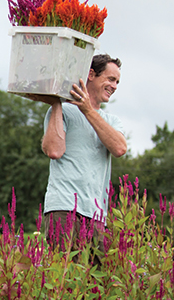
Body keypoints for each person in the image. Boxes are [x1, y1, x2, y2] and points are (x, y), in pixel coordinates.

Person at [27, 54, 127, 251]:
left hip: (97, 215)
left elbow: (119, 148)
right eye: (110, 79)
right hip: (63, 209)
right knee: (66, 276)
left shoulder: (112, 121)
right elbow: (54, 150)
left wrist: (88, 111)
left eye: (117, 82)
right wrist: (56, 101)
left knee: (97, 279)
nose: (114, 86)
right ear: (91, 75)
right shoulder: (62, 111)